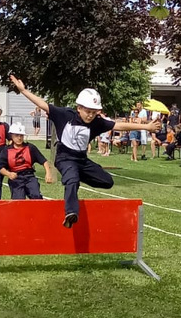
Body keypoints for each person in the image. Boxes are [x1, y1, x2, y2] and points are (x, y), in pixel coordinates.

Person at [9, 76, 160, 227]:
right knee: (72, 180)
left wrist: (146, 127)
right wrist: (23, 90)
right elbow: (41, 104)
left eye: (94, 112)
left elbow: (119, 126)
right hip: (64, 157)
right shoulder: (65, 115)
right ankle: (71, 213)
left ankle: (73, 175)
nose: (90, 115)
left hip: (81, 159)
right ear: (79, 108)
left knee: (107, 181)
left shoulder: (97, 122)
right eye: (88, 111)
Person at [0, 122, 53, 198]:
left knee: (36, 196)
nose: (19, 138)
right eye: (16, 135)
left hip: (29, 176)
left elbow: (44, 161)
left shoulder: (30, 148)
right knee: (19, 200)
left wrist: (48, 173)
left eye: (21, 135)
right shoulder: (6, 151)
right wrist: (8, 174)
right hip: (16, 178)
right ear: (11, 135)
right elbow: (1, 168)